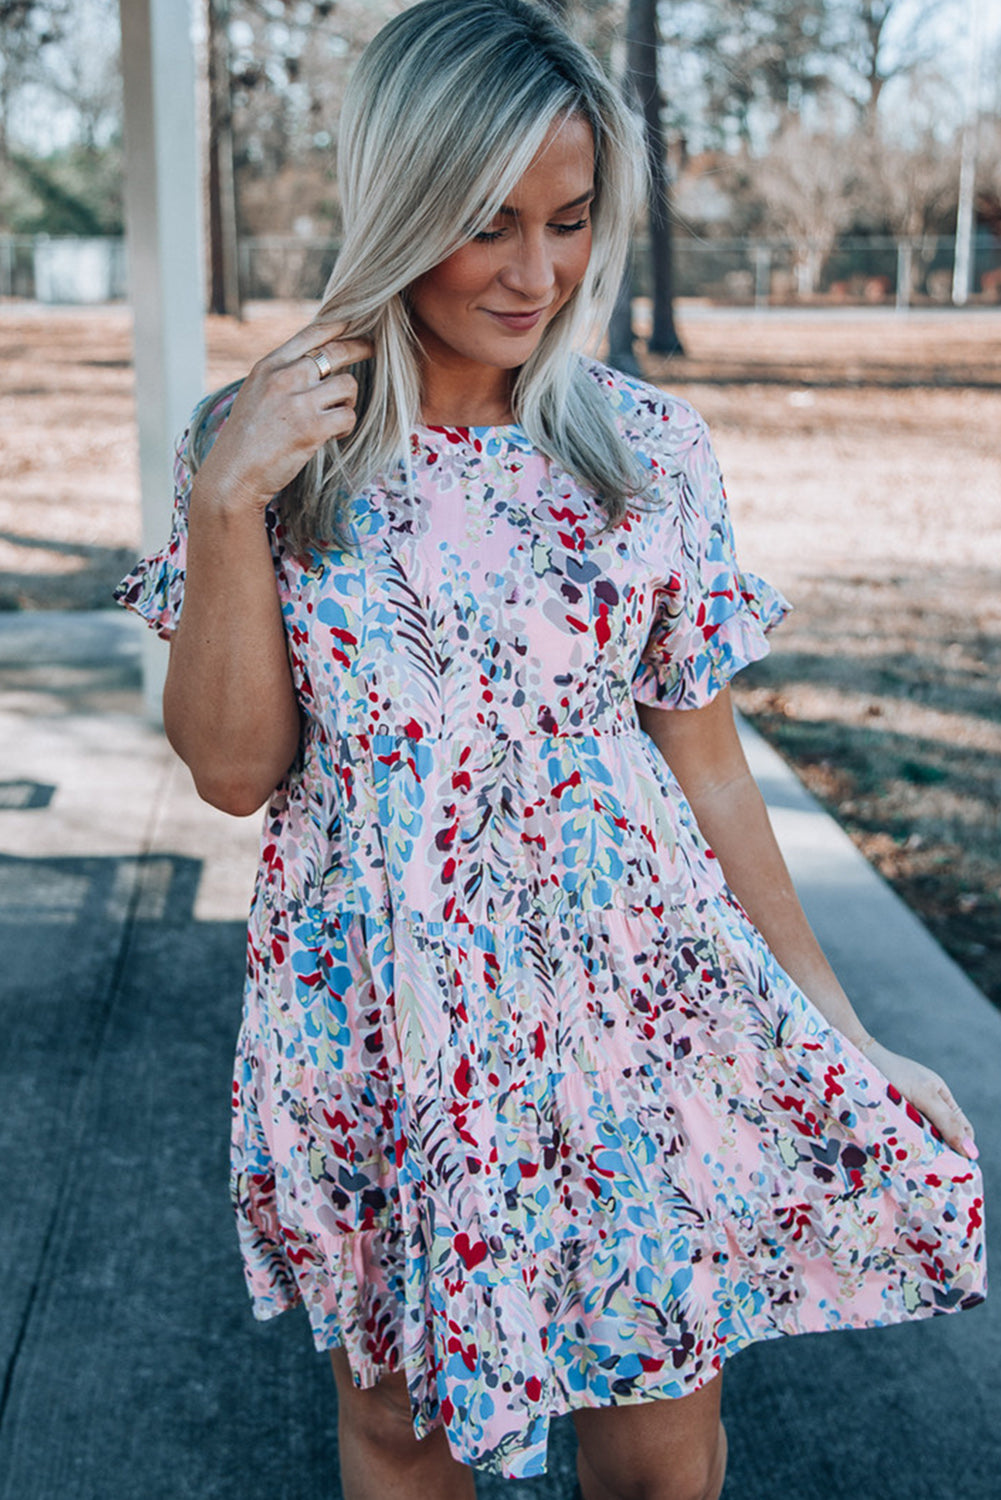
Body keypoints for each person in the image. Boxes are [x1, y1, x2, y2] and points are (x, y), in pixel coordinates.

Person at [116, 2, 986, 1496]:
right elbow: (234, 773)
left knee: (656, 1426)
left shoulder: (645, 453)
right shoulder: (257, 446)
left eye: (571, 222)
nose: (538, 273)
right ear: (397, 207)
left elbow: (709, 768)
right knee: (398, 1422)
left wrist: (837, 1029)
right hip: (376, 1007)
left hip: (628, 1000)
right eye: (486, 225)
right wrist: (224, 507)